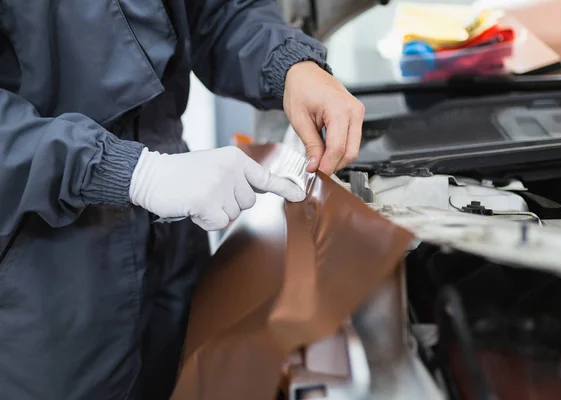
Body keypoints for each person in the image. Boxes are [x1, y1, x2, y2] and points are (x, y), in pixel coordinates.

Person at [0, 1, 365, 399]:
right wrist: (133, 173)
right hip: (43, 275)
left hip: (172, 245)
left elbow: (215, 12)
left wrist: (292, 64)